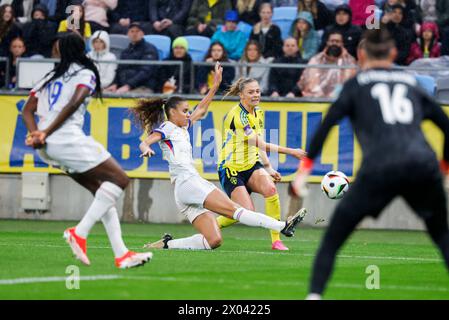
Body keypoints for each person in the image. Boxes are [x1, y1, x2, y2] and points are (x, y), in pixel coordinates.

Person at [291, 29, 449, 300]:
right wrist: (444, 168)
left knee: (332, 240)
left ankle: (314, 296)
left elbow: (327, 124)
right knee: (442, 236)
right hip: (422, 167)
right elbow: (446, 126)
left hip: (379, 168)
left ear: (361, 55)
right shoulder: (411, 82)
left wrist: (303, 170)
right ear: (394, 53)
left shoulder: (357, 84)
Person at [132, 62, 306, 250]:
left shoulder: (183, 127)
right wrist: (145, 147)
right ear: (172, 112)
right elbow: (147, 140)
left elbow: (201, 109)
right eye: (184, 111)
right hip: (189, 182)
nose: (189, 113)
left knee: (213, 241)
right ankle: (282, 226)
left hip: (183, 189)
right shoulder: (167, 127)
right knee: (237, 210)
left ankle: (167, 244)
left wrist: (215, 86)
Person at [21, 33, 152, 269]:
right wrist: (46, 132)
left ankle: (122, 254)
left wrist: (36, 134)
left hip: (47, 146)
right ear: (83, 50)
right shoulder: (85, 73)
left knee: (103, 193)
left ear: (60, 51)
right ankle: (79, 233)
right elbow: (73, 104)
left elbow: (27, 110)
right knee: (120, 179)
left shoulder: (50, 76)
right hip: (65, 138)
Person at [215, 77, 307, 250]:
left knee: (271, 190)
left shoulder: (258, 111)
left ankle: (276, 241)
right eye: (251, 92)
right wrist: (292, 151)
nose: (255, 95)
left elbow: (259, 142)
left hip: (251, 165)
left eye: (257, 91)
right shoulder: (238, 117)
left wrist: (268, 167)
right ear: (241, 95)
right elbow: (261, 144)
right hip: (231, 168)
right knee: (244, 213)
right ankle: (211, 226)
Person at [298, 30, 357, 98]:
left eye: (337, 41)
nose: (334, 43)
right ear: (327, 42)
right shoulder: (316, 60)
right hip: (316, 101)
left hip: (341, 102)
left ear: (342, 44)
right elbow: (305, 81)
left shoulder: (350, 61)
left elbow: (352, 85)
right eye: (332, 41)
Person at [105, 22, 159, 94]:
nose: (134, 34)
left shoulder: (150, 49)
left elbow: (146, 72)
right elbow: (119, 69)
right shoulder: (125, 51)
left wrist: (128, 85)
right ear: (128, 34)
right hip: (123, 87)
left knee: (125, 97)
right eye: (132, 31)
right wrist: (115, 84)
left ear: (142, 34)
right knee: (103, 94)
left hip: (143, 87)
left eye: (137, 31)